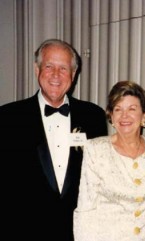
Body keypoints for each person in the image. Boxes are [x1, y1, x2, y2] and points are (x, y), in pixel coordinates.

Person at [0, 39, 108, 241]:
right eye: (49, 66)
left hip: (78, 232)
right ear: (36, 69)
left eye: (63, 68)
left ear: (73, 74)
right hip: (22, 231)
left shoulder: (93, 116)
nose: (56, 75)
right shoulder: (7, 118)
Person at [73, 80, 145, 241]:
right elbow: (85, 208)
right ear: (111, 116)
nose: (124, 116)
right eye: (118, 109)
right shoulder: (95, 149)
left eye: (132, 109)